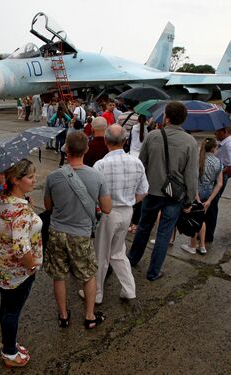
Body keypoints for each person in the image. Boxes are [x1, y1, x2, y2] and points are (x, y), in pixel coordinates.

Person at [44, 132, 111, 329]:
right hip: (81, 234)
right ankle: (89, 316)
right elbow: (106, 208)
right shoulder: (97, 177)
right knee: (88, 275)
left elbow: (48, 207)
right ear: (87, 150)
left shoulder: (53, 176)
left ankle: (63, 316)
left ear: (66, 149)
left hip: (56, 231)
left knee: (59, 275)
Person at [127, 102, 199, 280]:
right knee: (164, 233)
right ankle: (153, 271)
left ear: (166, 117)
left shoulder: (153, 136)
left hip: (151, 191)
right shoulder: (190, 142)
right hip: (174, 195)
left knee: (144, 227)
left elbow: (141, 164)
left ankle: (132, 260)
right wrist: (190, 200)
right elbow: (191, 175)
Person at [0, 160, 42, 368]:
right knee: (13, 311)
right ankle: (10, 352)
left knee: (6, 307)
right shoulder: (20, 211)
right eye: (30, 177)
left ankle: (7, 341)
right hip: (19, 271)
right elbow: (21, 249)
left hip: (2, 264)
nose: (34, 180)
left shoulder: (0, 198)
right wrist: (31, 267)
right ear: (15, 180)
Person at [91, 125, 148, 304]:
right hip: (127, 211)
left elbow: (93, 194)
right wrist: (130, 201)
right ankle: (129, 289)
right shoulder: (136, 162)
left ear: (106, 141)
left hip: (108, 213)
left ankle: (97, 294)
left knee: (101, 254)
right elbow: (143, 191)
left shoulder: (100, 165)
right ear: (125, 141)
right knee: (118, 252)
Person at [181, 137, 223, 255]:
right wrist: (210, 199)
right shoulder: (219, 163)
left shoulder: (198, 160)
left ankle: (193, 245)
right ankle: (202, 245)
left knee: (195, 219)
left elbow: (192, 179)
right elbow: (219, 184)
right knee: (203, 219)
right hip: (209, 194)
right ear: (214, 148)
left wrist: (196, 196)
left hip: (196, 193)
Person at [204, 126, 231, 242]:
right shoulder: (222, 142)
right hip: (217, 175)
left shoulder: (228, 145)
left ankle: (208, 235)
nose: (215, 133)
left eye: (218, 132)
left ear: (225, 132)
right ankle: (204, 232)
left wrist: (220, 172)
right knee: (210, 205)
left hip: (220, 177)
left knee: (213, 204)